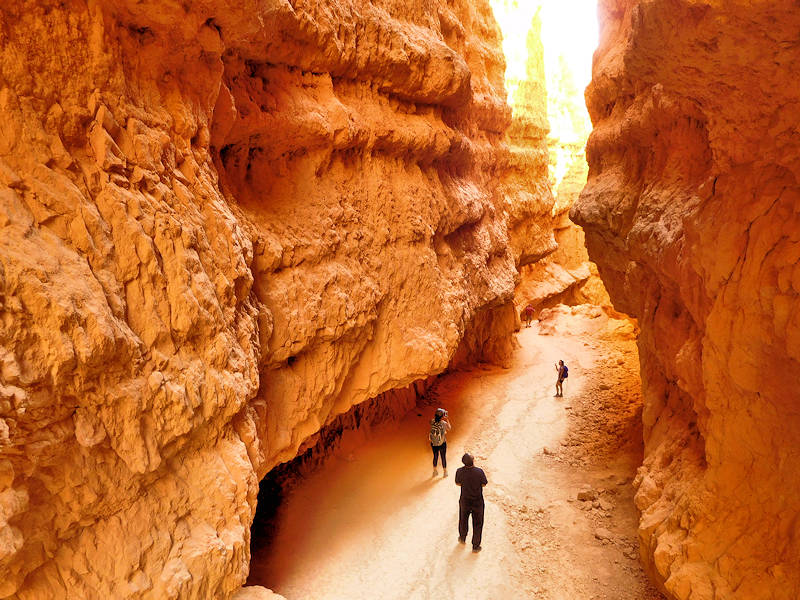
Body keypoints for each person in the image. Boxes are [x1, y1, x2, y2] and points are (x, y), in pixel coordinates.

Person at [455, 453, 488, 552]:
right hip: (477, 501)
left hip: (465, 500)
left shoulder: (459, 471)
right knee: (478, 523)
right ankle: (475, 546)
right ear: (473, 460)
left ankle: (462, 538)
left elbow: (458, 483)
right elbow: (484, 484)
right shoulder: (479, 472)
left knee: (463, 519)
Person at [429, 408, 451, 478]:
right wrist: (447, 419)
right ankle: (445, 472)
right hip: (442, 443)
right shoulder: (444, 423)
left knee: (435, 457)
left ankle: (435, 471)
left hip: (434, 443)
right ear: (442, 416)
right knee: (443, 457)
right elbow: (449, 428)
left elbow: (431, 422)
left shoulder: (432, 421)